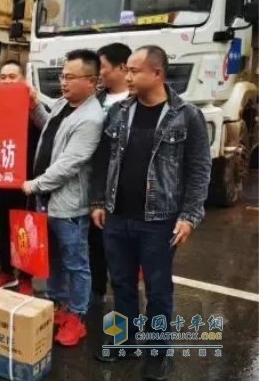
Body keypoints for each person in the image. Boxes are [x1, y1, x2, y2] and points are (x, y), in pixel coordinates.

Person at [91, 46, 211, 380]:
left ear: (157, 73)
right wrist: (98, 201)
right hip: (117, 217)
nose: (127, 76)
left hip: (159, 222)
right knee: (122, 285)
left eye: (134, 71)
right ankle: (125, 342)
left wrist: (189, 216)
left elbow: (199, 169)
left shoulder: (186, 115)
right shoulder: (119, 112)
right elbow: (103, 159)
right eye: (126, 70)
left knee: (158, 291)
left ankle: (158, 353)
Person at [22, 49, 104, 346]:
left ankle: (78, 316)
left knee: (76, 262)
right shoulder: (63, 105)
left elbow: (70, 164)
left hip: (68, 204)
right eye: (62, 76)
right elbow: (48, 129)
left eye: (70, 77)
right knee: (54, 257)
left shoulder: (91, 118)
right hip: (48, 201)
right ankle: (58, 303)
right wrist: (34, 107)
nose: (63, 82)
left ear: (91, 81)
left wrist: (35, 185)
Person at [0, 61, 41, 295]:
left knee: (24, 228)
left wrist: (33, 105)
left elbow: (47, 130)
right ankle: (6, 271)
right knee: (1, 227)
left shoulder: (34, 105)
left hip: (25, 180)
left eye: (12, 76)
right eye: (3, 77)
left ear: (23, 80)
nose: (7, 81)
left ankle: (26, 276)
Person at [89, 42, 132, 305]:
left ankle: (125, 304)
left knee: (121, 252)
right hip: (96, 181)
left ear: (122, 68)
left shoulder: (137, 102)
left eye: (102, 67)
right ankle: (97, 293)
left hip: (125, 190)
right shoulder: (95, 100)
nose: (99, 73)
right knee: (95, 243)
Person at [97, 43, 131, 113]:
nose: (96, 72)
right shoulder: (94, 100)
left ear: (122, 67)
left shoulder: (139, 100)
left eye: (100, 67)